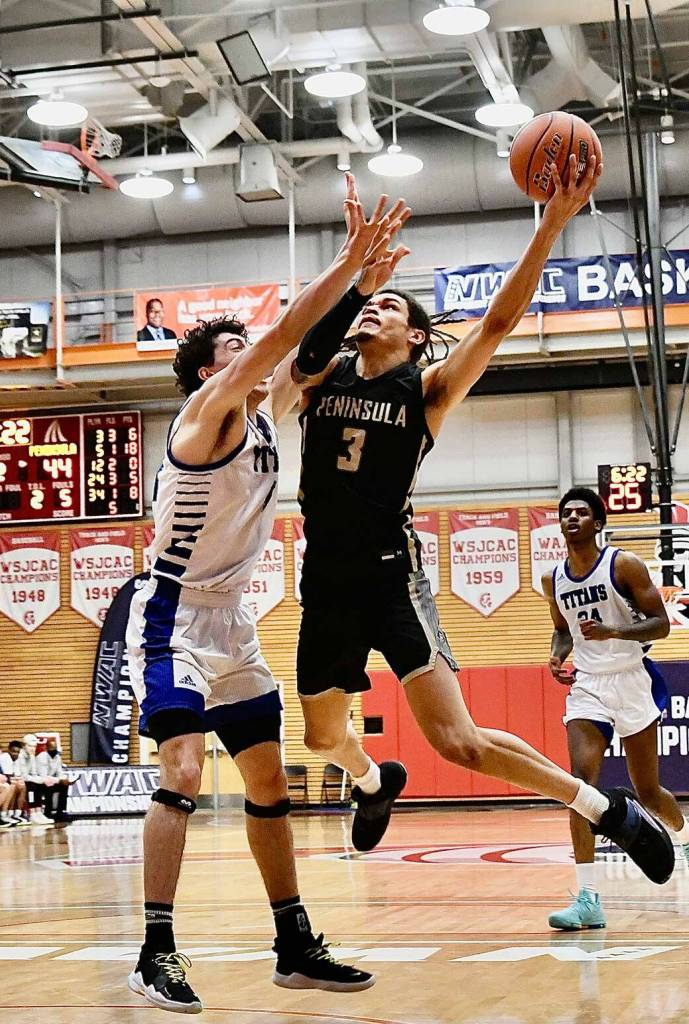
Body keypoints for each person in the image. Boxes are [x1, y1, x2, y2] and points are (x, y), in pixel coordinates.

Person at [280, 156, 674, 886]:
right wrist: (354, 279)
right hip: (323, 584)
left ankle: (603, 809)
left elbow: (496, 321)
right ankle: (371, 782)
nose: (375, 310)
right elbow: (301, 342)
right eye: (372, 304)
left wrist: (551, 221)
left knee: (457, 742)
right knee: (321, 736)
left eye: (391, 307)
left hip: (391, 581)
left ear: (417, 338)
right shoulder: (319, 378)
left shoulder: (423, 388)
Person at [125, 173, 407, 1014]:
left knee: (269, 786)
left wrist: (361, 288)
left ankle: (293, 943)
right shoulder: (206, 412)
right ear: (210, 371)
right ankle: (155, 948)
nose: (251, 355)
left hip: (233, 624)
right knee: (180, 767)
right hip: (172, 616)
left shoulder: (261, 413)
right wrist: (347, 260)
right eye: (232, 350)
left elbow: (300, 350)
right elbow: (285, 330)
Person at [543, 487, 689, 930]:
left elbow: (661, 625)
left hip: (631, 678)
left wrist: (613, 632)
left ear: (598, 523)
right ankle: (588, 898)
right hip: (588, 686)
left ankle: (682, 839)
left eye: (582, 512)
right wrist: (557, 652)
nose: (572, 518)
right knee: (580, 787)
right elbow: (563, 630)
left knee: (647, 791)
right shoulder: (554, 579)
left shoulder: (623, 565)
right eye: (566, 513)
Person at [14, 735, 55, 825]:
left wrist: (44, 779)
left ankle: (39, 812)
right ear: (24, 746)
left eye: (34, 746)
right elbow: (24, 776)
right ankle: (32, 813)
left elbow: (34, 774)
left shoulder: (32, 756)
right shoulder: (20, 756)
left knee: (39, 785)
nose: (33, 749)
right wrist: (40, 780)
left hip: (27, 779)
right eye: (30, 746)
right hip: (17, 779)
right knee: (32, 785)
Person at [37, 737, 71, 821]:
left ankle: (60, 812)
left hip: (51, 781)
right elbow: (43, 776)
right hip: (39, 782)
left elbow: (59, 772)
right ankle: (48, 812)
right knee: (49, 787)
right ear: (46, 748)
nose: (54, 750)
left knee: (64, 786)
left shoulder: (57, 757)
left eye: (55, 748)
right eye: (51, 748)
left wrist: (64, 780)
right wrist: (59, 780)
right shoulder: (42, 757)